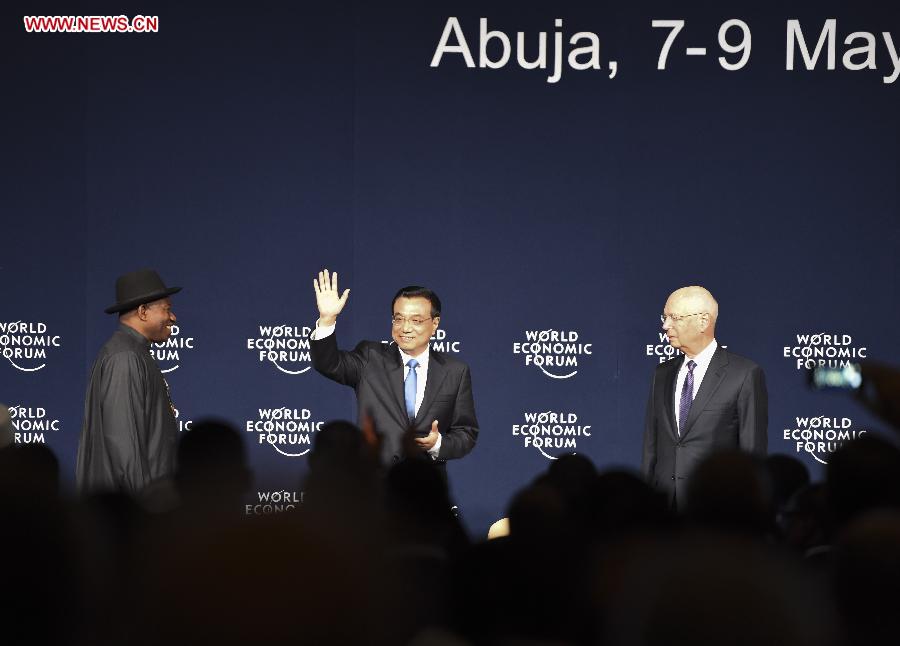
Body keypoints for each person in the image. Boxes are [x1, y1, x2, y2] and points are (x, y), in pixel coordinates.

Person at [309, 268, 478, 468]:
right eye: (399, 319)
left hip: (426, 482)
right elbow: (328, 364)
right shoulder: (370, 357)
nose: (405, 328)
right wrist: (327, 320)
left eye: (416, 320)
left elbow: (466, 433)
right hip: (374, 480)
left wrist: (438, 444)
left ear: (435, 323)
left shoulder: (455, 371)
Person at [642, 286, 767, 510]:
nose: (665, 325)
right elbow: (651, 447)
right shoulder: (661, 374)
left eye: (674, 318)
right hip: (663, 507)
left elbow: (752, 453)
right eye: (664, 317)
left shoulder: (744, 374)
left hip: (717, 507)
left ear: (703, 322)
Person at [75, 269, 181, 496]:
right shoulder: (125, 357)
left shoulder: (132, 352)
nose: (173, 317)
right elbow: (124, 446)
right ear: (143, 311)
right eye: (166, 309)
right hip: (136, 507)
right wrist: (143, 508)